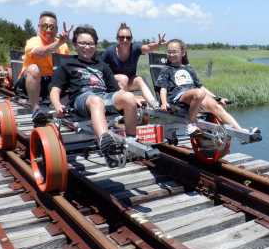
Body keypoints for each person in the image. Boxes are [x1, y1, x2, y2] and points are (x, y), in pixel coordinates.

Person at [50, 25, 140, 167]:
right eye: (83, 43)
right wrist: (57, 105)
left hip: (103, 96)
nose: (87, 47)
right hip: (82, 99)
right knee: (96, 100)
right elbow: (55, 89)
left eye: (90, 43)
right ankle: (106, 145)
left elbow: (116, 91)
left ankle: (131, 140)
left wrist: (132, 100)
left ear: (95, 45)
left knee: (128, 97)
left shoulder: (102, 66)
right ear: (75, 44)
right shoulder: (67, 64)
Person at [156, 39, 256, 135]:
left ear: (183, 53)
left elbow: (201, 87)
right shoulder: (166, 69)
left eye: (174, 52)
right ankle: (190, 124)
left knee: (217, 106)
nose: (171, 54)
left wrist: (218, 98)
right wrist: (164, 103)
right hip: (178, 99)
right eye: (169, 52)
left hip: (195, 98)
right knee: (199, 93)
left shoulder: (188, 68)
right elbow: (163, 88)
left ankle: (241, 132)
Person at [17, 11, 71, 120]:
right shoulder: (33, 41)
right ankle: (35, 109)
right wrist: (58, 43)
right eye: (44, 26)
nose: (48, 30)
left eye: (52, 27)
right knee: (34, 69)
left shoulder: (63, 46)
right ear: (39, 27)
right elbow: (40, 52)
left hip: (52, 84)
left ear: (56, 29)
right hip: (30, 82)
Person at [101, 22, 165, 107]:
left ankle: (154, 105)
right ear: (117, 38)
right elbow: (100, 68)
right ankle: (123, 104)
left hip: (129, 83)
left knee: (139, 79)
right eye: (121, 37)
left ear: (131, 39)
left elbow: (148, 47)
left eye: (128, 38)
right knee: (123, 78)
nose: (125, 40)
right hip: (113, 84)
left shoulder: (135, 48)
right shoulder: (109, 51)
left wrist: (158, 44)